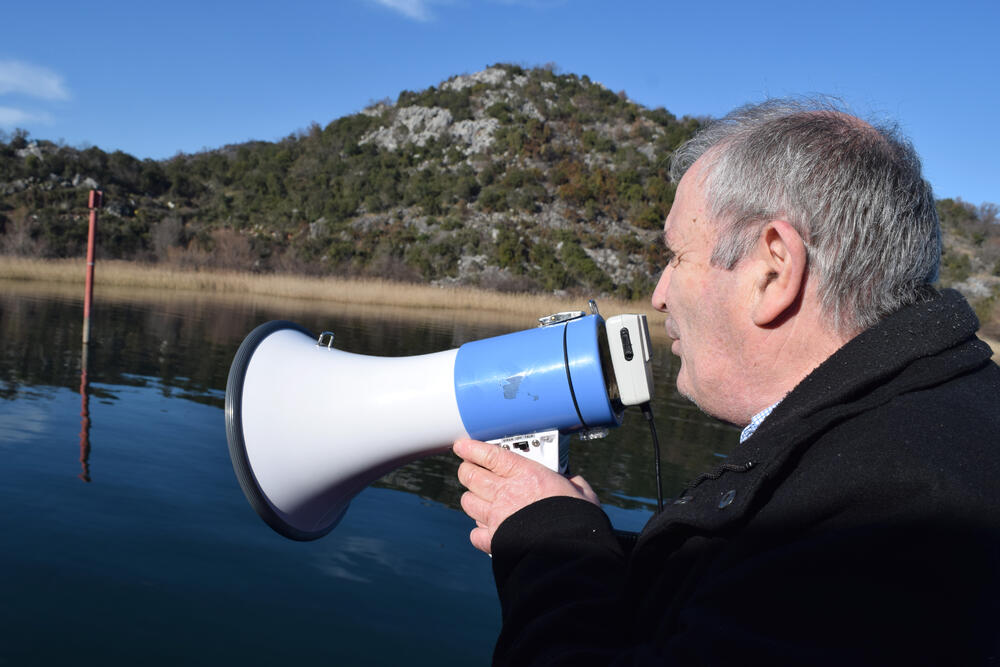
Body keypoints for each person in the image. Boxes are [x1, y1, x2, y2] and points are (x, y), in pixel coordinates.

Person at [453, 99, 1000, 665]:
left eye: (677, 256)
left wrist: (545, 547)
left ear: (773, 271)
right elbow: (743, 604)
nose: (659, 295)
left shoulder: (882, 520)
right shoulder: (943, 424)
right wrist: (584, 541)